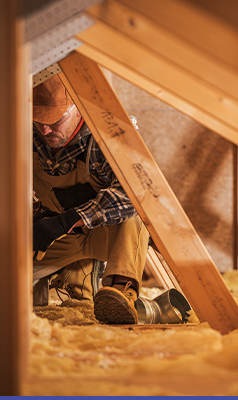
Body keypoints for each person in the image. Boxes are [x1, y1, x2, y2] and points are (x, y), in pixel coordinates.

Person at [32, 74, 149, 324]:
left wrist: (69, 219)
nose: (45, 129)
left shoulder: (109, 132)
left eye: (54, 121)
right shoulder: (27, 134)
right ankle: (76, 276)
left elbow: (134, 192)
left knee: (136, 212)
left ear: (77, 107)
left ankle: (120, 290)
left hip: (107, 235)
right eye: (38, 121)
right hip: (57, 235)